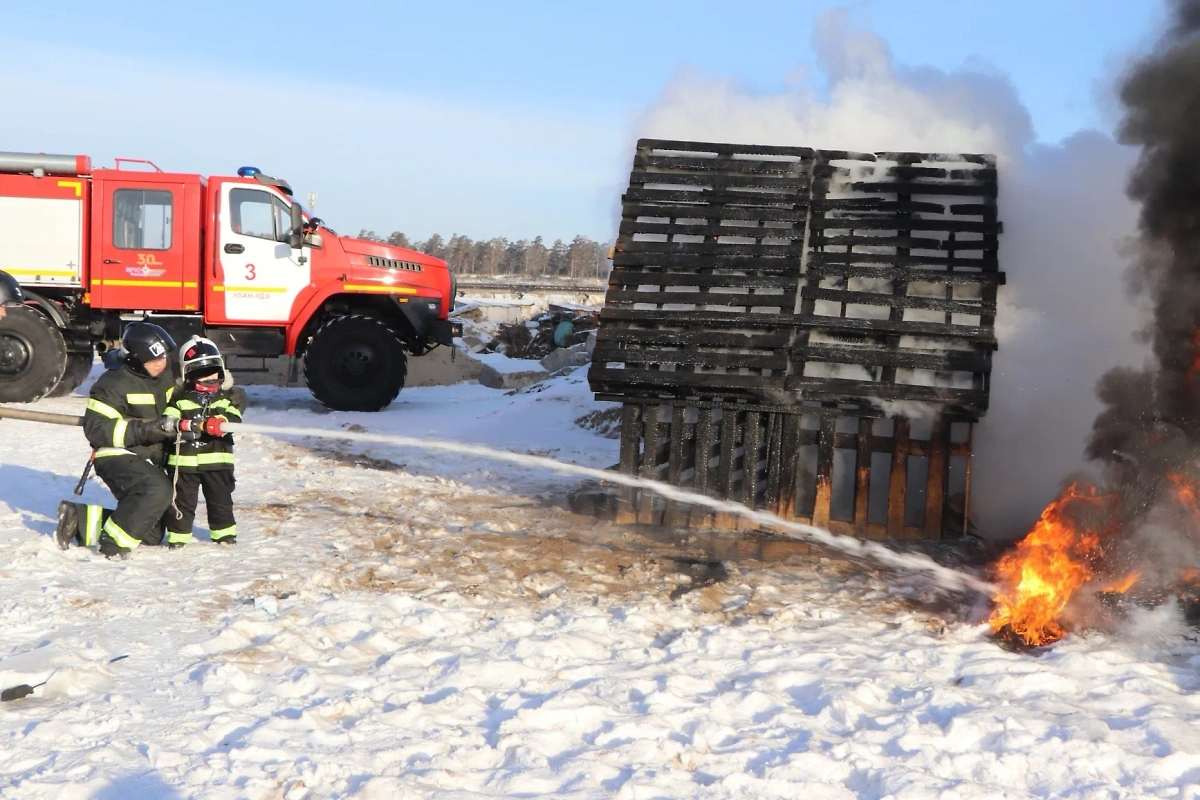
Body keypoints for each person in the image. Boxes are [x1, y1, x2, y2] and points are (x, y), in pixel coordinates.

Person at [55, 322, 200, 558]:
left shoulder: (168, 374)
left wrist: (227, 393)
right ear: (135, 359)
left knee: (150, 532)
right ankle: (112, 545)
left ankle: (77, 519)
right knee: (156, 490)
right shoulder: (112, 384)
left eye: (163, 357)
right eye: (153, 360)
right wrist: (148, 430)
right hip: (115, 453)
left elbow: (199, 392)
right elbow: (97, 429)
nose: (161, 363)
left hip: (149, 456)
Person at [162, 337, 245, 547]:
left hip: (218, 462)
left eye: (213, 372)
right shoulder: (180, 399)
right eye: (202, 374)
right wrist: (178, 424)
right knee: (181, 502)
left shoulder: (225, 399)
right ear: (188, 375)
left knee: (221, 501)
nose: (209, 378)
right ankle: (178, 537)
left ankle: (224, 535)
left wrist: (222, 421)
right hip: (184, 463)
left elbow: (235, 417)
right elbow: (167, 421)